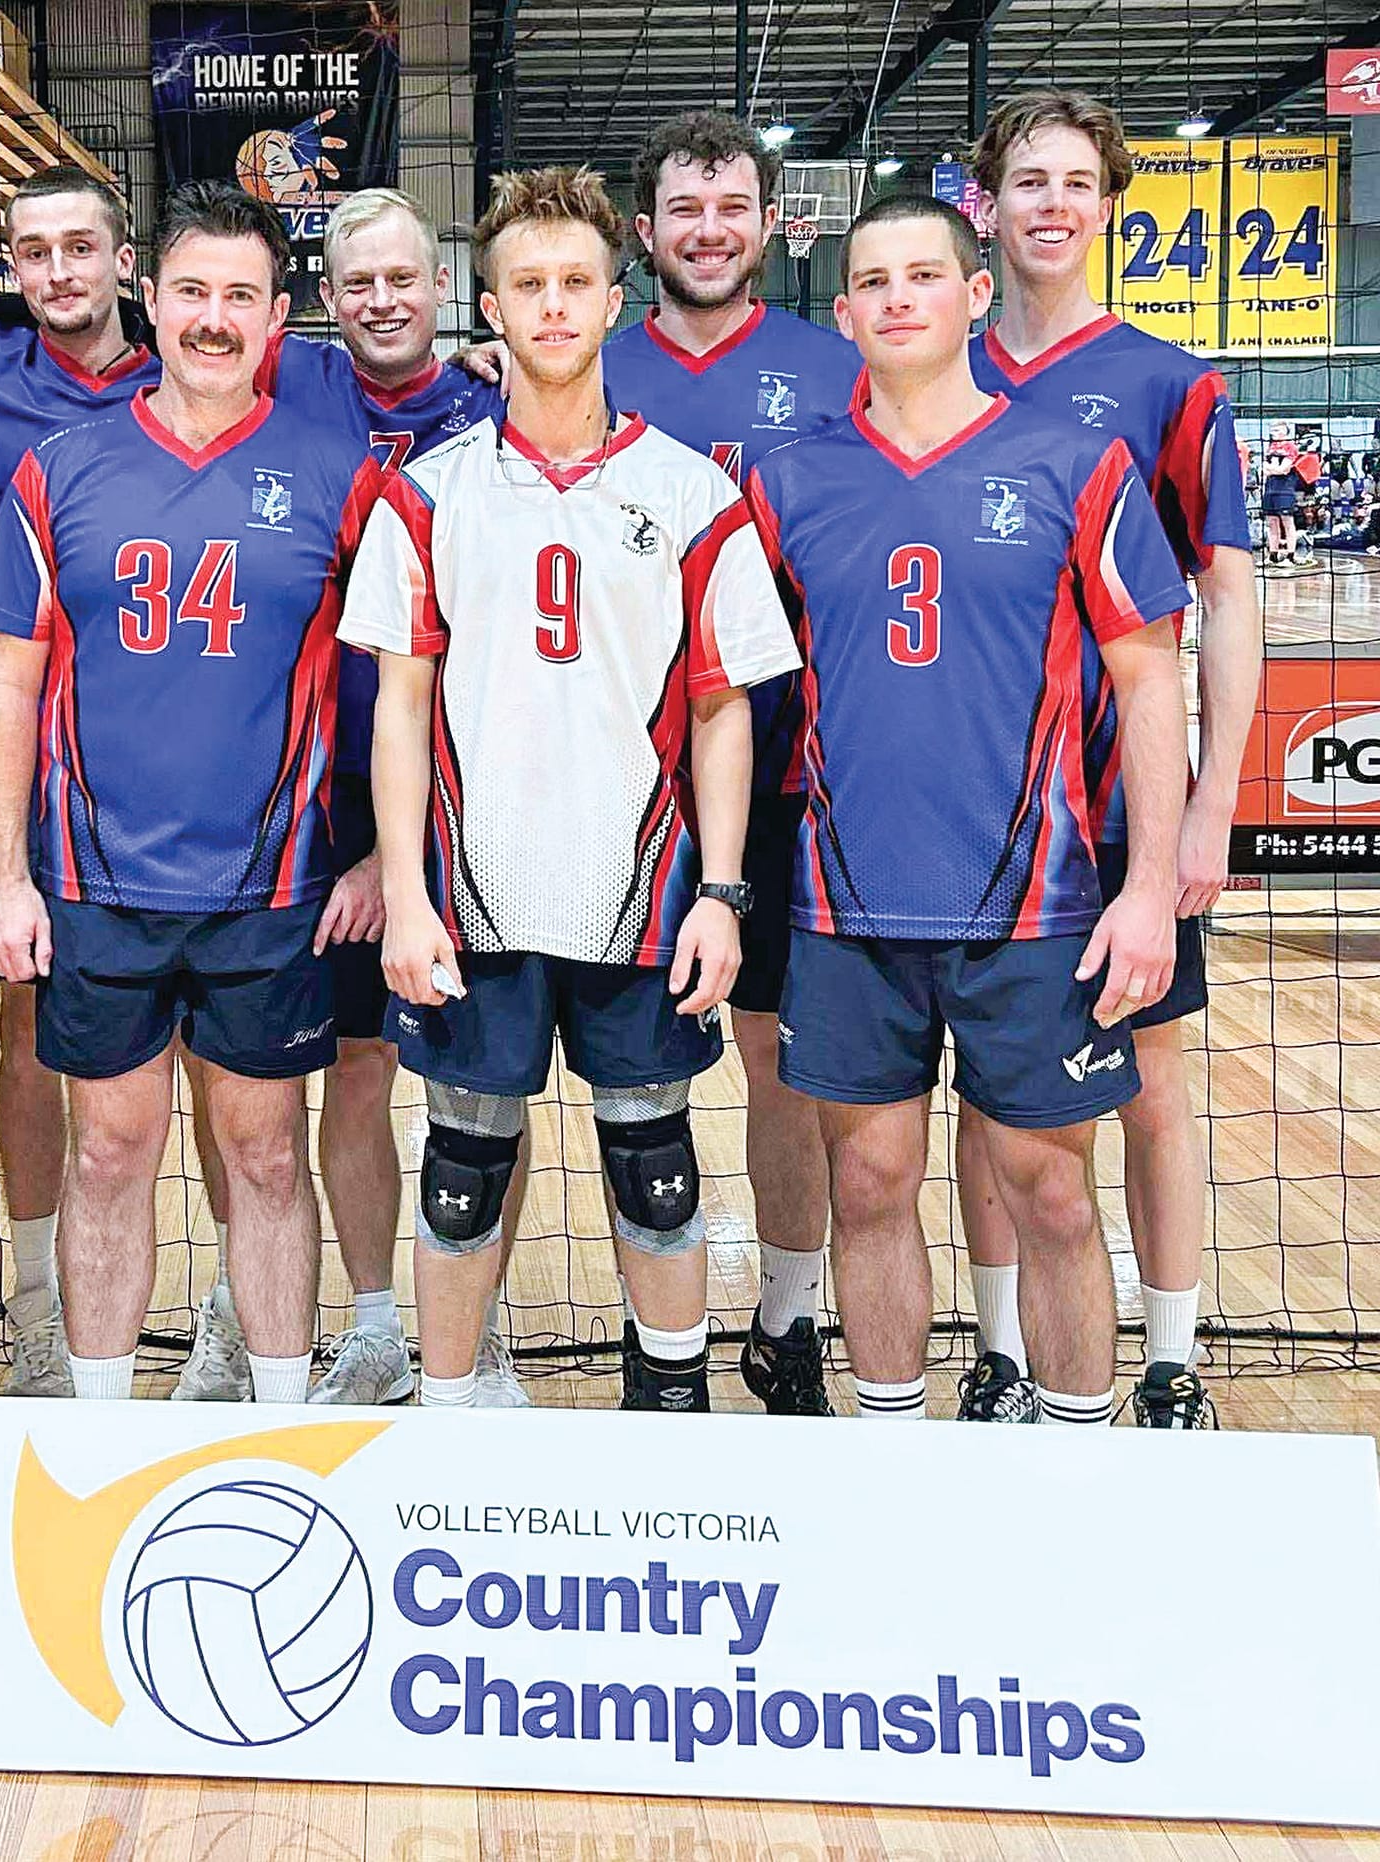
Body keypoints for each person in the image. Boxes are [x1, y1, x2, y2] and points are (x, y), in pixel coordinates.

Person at [342, 166, 798, 1412]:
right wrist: (404, 892)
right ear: (485, 307)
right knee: (460, 1171)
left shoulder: (694, 494)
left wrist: (718, 892)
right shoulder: (425, 494)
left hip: (640, 898)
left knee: (655, 1164)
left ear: (614, 300)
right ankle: (446, 1419)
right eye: (526, 286)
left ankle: (669, 1402)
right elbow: (397, 705)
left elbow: (721, 710)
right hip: (472, 900)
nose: (551, 307)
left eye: (574, 285)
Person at [747, 193, 1190, 1426]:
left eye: (921, 275)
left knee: (1051, 1191)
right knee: (870, 1181)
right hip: (844, 901)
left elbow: (1150, 677)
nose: (897, 297)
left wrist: (1147, 884)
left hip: (1037, 903)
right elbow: (726, 686)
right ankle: (893, 1459)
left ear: (972, 294)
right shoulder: (788, 484)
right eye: (872, 281)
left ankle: (1074, 1472)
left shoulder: (1072, 463)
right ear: (841, 316)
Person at [0, 181, 384, 1404]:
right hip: (94, 885)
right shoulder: (60, 469)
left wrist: (377, 862)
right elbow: (7, 680)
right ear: (149, 299)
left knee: (263, 1150)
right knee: (107, 1148)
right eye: (190, 291)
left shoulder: (341, 475)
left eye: (239, 297)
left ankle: (280, 1421)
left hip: (273, 890)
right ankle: (99, 1437)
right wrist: (3, 876)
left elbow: (405, 692)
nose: (211, 318)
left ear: (279, 316)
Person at [171, 187, 508, 1409]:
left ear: (440, 286)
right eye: (356, 280)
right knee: (244, 1086)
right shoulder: (284, 384)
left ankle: (411, 1326)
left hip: (444, 798)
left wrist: (397, 846)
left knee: (410, 1078)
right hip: (291, 798)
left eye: (401, 279)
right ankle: (240, 1302)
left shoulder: (491, 399)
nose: (379, 299)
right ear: (320, 299)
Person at [965, 91, 1263, 1428]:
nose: (1051, 203)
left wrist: (1209, 806)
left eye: (1076, 182)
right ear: (988, 203)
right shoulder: (929, 368)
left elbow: (1230, 594)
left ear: (1106, 206)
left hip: (1117, 809)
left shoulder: (1168, 383)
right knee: (994, 1099)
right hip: (982, 811)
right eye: (1027, 179)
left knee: (1149, 1082)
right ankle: (1004, 1351)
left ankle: (1170, 1354)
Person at [602, 109, 862, 1418]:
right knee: (626, 1075)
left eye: (731, 206)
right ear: (643, 234)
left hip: (780, 776)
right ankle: (661, 1347)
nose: (708, 230)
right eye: (684, 210)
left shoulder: (837, 368)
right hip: (620, 783)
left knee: (781, 1063)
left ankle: (791, 1320)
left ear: (770, 224)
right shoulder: (584, 368)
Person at [0, 167, 159, 1395]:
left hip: (168, 754)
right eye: (32, 251)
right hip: (21, 738)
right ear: (7, 267)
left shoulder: (201, 361)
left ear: (126, 260)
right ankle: (28, 1302)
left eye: (81, 247)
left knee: (196, 1074)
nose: (58, 271)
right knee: (26, 1019)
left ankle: (215, 1309)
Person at [1260, 423, 1300, 566]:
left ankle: (1290, 556)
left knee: (1287, 522)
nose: (1273, 432)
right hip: (1270, 489)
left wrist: (1273, 469)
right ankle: (1272, 556)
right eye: (1272, 430)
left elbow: (1284, 470)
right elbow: (1263, 468)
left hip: (1285, 490)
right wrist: (1273, 469)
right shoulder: (1270, 447)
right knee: (1271, 523)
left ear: (1285, 431)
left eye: (1277, 430)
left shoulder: (1290, 447)